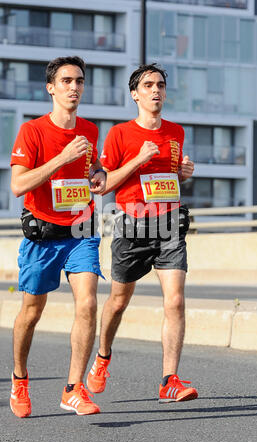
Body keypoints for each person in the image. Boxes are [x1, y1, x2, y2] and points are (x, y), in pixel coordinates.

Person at [87, 64, 198, 403]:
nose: (156, 91)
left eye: (161, 85)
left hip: (169, 223)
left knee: (175, 301)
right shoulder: (120, 134)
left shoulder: (176, 132)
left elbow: (170, 181)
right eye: (148, 85)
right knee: (119, 302)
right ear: (135, 94)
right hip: (131, 224)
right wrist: (136, 160)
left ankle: (170, 379)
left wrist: (184, 174)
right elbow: (103, 185)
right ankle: (103, 357)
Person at [9, 56, 107, 418]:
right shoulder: (32, 131)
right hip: (43, 232)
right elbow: (18, 185)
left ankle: (73, 388)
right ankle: (20, 378)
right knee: (32, 312)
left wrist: (99, 174)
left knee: (88, 303)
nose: (74, 87)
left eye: (79, 81)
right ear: (51, 87)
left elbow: (92, 169)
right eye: (66, 81)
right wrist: (60, 157)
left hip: (82, 229)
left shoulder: (91, 131)